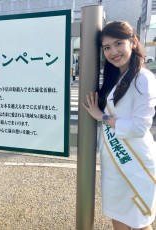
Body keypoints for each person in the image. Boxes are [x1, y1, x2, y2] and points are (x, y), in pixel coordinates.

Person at [82, 21, 156, 230]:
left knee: (140, 221)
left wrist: (102, 117)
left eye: (118, 44)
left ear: (133, 42)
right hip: (114, 162)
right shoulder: (116, 76)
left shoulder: (143, 78)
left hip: (135, 161)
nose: (113, 52)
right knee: (118, 218)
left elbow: (140, 127)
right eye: (106, 47)